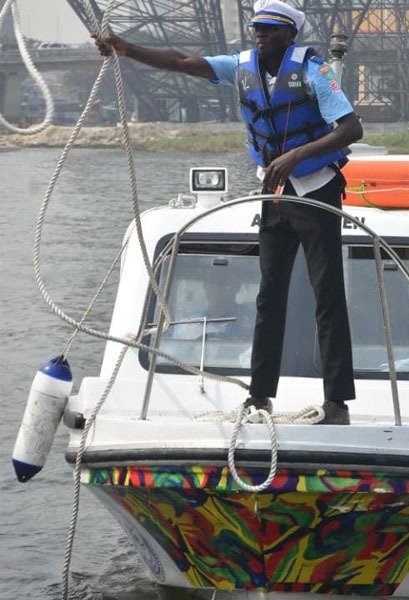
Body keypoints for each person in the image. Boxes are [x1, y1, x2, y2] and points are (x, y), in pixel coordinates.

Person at [95, 0, 363, 424]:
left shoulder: (314, 71)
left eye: (270, 30)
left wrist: (297, 155)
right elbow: (181, 60)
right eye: (256, 28)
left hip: (316, 191)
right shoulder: (239, 67)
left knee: (327, 296)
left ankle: (336, 403)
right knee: (268, 296)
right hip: (274, 195)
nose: (259, 35)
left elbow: (351, 128)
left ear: (289, 35)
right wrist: (127, 49)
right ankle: (259, 398)